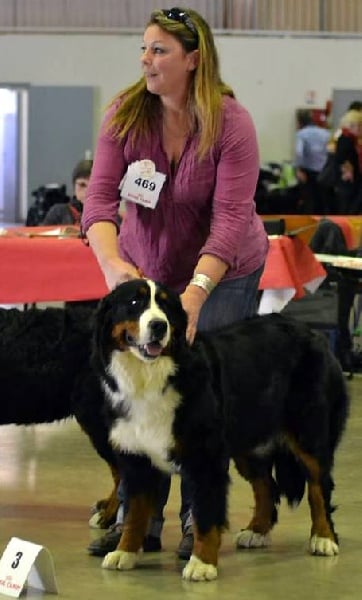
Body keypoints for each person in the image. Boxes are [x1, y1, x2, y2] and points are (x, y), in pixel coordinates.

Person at [82, 6, 268, 560]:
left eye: (159, 50)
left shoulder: (231, 123)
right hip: (146, 273)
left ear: (193, 59)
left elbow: (231, 219)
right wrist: (115, 268)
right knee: (143, 401)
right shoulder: (124, 113)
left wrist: (195, 293)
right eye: (144, 48)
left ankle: (197, 520)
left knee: (202, 402)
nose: (146, 60)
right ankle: (143, 523)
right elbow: (98, 202)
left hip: (224, 273)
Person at [294, 108, 330, 214]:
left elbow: (299, 152)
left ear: (300, 122)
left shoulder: (301, 134)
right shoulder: (325, 133)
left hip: (308, 171)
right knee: (323, 201)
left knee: (310, 201)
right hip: (325, 172)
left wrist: (299, 169)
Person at [42, 159, 93, 225]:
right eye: (82, 185)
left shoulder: (107, 214)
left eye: (92, 185)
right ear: (74, 187)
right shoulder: (58, 213)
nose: (87, 191)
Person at [333, 109, 362, 214]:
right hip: (347, 182)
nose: (359, 128)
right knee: (349, 210)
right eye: (357, 125)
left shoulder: (352, 139)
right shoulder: (346, 139)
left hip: (350, 182)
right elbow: (342, 158)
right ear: (350, 126)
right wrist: (347, 168)